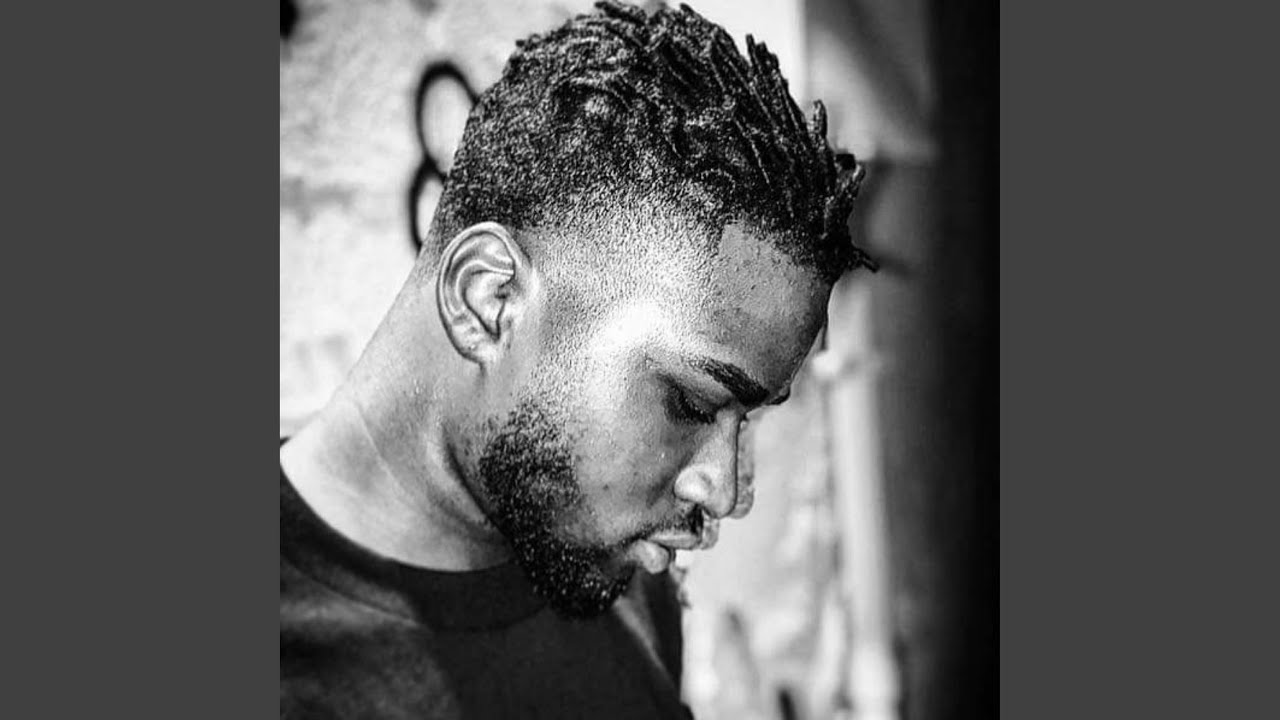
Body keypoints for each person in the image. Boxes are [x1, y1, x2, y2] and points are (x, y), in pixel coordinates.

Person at [279, 2, 876, 718]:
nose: (723, 493)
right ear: (488, 299)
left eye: (746, 419)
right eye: (691, 404)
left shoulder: (614, 572)